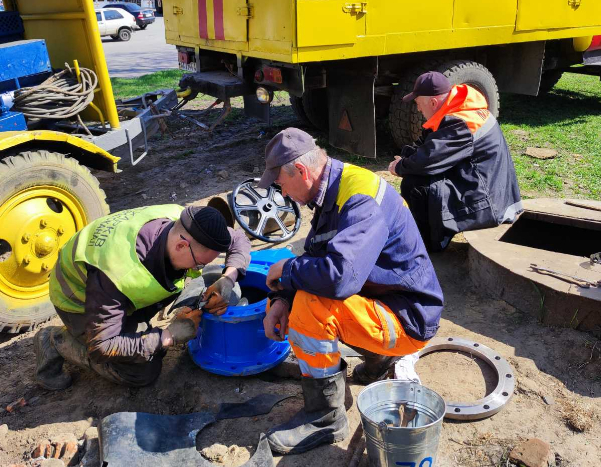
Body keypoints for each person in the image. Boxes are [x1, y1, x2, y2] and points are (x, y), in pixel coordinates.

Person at [258, 128, 444, 455]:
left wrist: (287, 273)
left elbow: (341, 278)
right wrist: (282, 298)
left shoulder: (360, 200)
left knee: (312, 305)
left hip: (407, 319)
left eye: (280, 184)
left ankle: (325, 418)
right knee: (302, 293)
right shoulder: (335, 190)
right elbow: (317, 255)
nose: (281, 192)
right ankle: (380, 359)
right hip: (388, 302)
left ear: (300, 171)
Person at [34, 204, 251, 389]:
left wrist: (228, 278)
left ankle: (137, 323)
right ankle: (56, 341)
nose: (199, 267)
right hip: (80, 302)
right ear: (181, 245)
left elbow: (238, 238)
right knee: (143, 372)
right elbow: (103, 346)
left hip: (118, 294)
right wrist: (168, 336)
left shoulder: (188, 222)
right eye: (199, 263)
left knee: (194, 287)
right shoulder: (117, 272)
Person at [389, 71, 522, 252]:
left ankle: (426, 246)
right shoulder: (461, 110)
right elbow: (431, 147)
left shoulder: (460, 124)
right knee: (419, 177)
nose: (418, 109)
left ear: (433, 102)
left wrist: (401, 166)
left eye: (418, 104)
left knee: (416, 186)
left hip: (489, 202)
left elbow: (428, 161)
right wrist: (407, 157)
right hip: (490, 189)